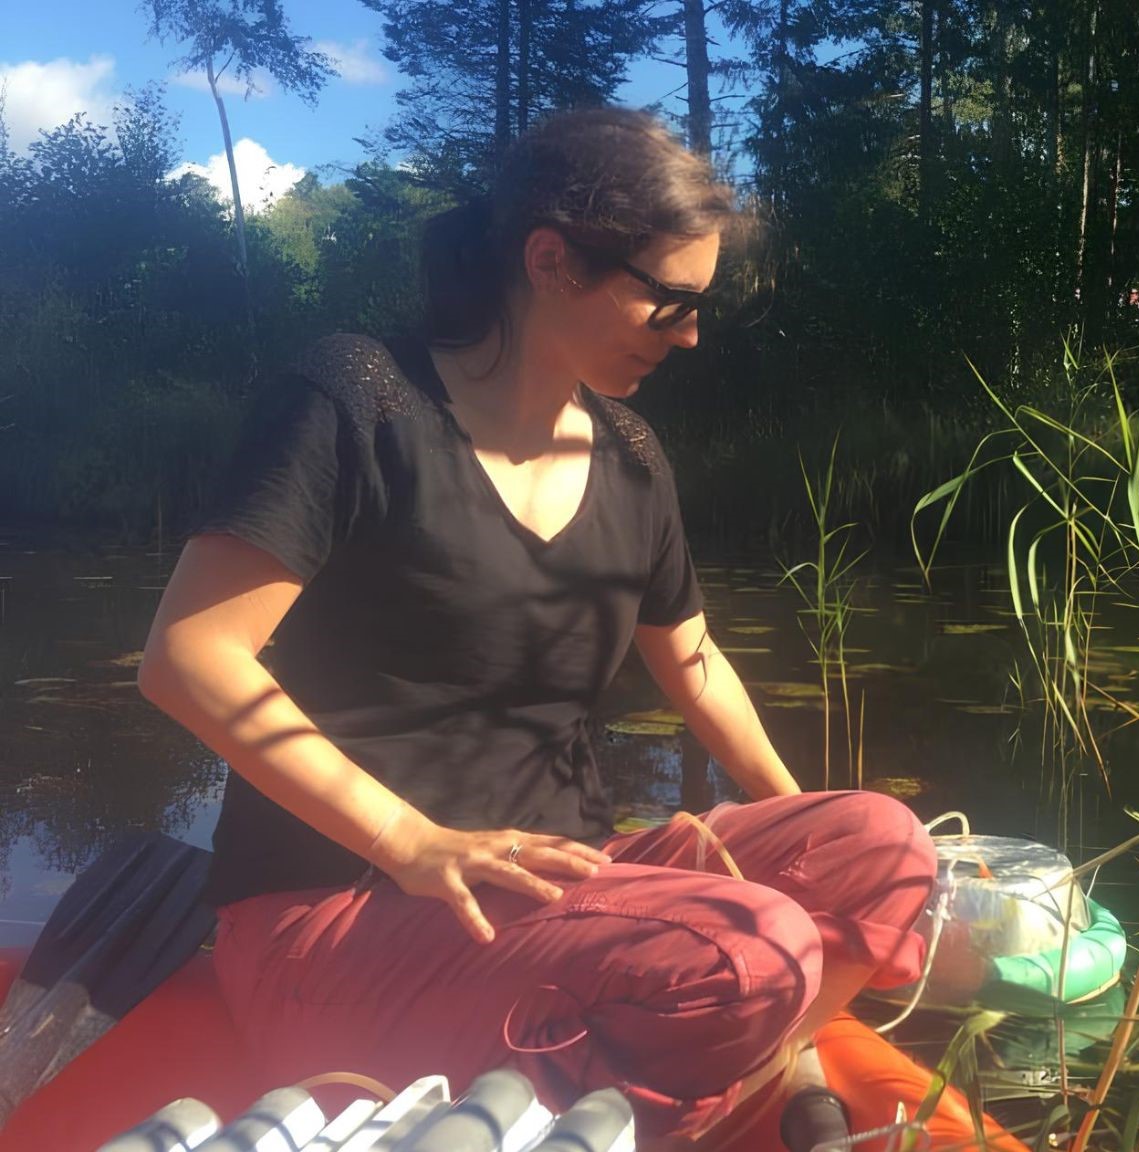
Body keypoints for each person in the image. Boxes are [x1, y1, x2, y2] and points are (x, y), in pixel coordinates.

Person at [136, 107, 936, 1148]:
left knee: (884, 847)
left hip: (563, 885)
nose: (690, 335)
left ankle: (711, 1048)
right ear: (552, 260)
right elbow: (189, 657)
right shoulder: (360, 400)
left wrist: (801, 833)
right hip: (336, 911)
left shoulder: (632, 455)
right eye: (670, 303)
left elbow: (692, 659)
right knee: (752, 952)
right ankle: (697, 1063)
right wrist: (413, 842)